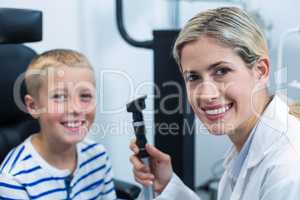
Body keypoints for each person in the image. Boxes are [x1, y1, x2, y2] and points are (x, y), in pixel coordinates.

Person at [130, 6, 300, 200]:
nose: (206, 94)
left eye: (221, 71)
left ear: (260, 71)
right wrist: (169, 185)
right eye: (193, 77)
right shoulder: (246, 146)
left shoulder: (288, 169)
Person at [0, 49, 116, 199]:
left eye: (85, 96)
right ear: (34, 106)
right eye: (59, 96)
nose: (75, 108)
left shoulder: (98, 156)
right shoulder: (13, 178)